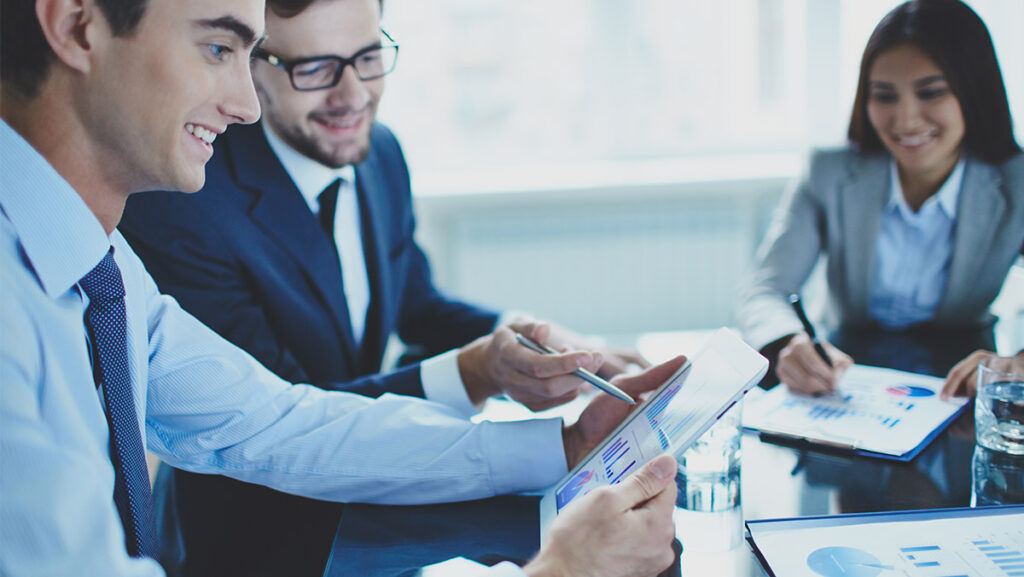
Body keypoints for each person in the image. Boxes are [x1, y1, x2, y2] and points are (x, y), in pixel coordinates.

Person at [0, 1, 682, 576]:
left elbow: (281, 422)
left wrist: (560, 445)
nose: (243, 105)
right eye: (216, 47)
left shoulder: (104, 265)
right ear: (75, 25)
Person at [736, 0, 1024, 398]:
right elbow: (764, 289)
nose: (905, 120)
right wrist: (787, 342)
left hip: (960, 389)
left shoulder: (1016, 184)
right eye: (884, 96)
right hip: (842, 384)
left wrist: (1018, 361)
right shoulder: (829, 172)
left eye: (931, 92)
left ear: (974, 92)